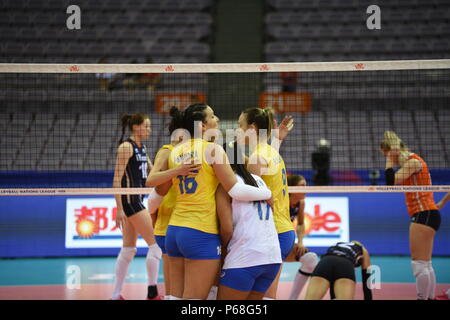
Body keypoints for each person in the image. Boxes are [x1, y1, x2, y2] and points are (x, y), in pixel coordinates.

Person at [147, 103, 273, 300]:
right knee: (194, 301)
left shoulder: (175, 151)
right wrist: (266, 194)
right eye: (212, 116)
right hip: (200, 231)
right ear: (202, 126)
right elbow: (236, 189)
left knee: (174, 297)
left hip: (174, 230)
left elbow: (159, 189)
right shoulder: (213, 150)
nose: (218, 120)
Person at [239, 107, 296, 300]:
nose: (238, 131)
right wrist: (278, 138)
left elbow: (253, 199)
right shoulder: (271, 152)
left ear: (252, 128)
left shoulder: (258, 157)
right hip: (284, 229)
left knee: (262, 296)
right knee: (267, 295)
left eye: (240, 126)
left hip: (273, 232)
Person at [145, 107, 201, 300]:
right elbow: (151, 180)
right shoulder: (167, 151)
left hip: (191, 224)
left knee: (190, 288)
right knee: (173, 290)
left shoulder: (198, 150)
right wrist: (178, 171)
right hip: (169, 226)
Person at [216, 141, 282, 300]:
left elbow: (226, 229)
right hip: (272, 258)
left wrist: (221, 252)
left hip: (245, 257)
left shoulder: (226, 186)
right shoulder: (259, 180)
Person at [380, 130, 441, 300]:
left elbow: (390, 182)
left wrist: (389, 159)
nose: (386, 156)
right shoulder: (411, 163)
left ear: (392, 149)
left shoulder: (413, 162)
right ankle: (429, 297)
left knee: (419, 264)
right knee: (426, 263)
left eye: (385, 152)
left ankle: (422, 298)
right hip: (428, 213)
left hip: (424, 214)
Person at [111, 113, 163, 300]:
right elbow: (116, 178)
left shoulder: (142, 148)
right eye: (146, 126)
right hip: (130, 201)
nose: (149, 130)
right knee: (156, 246)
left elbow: (154, 171)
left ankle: (115, 295)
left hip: (138, 198)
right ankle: (152, 292)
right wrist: (119, 208)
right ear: (136, 127)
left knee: (128, 249)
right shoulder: (126, 147)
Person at [286, 174, 319, 300]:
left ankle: (292, 298)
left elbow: (300, 224)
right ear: (292, 188)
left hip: (285, 245)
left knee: (311, 259)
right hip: (271, 245)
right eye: (302, 186)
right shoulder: (282, 201)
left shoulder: (301, 202)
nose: (306, 188)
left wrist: (300, 242)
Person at [305, 241, 373, 300]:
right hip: (345, 263)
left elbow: (332, 275)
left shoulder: (337, 245)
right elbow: (367, 278)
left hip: (326, 261)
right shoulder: (362, 249)